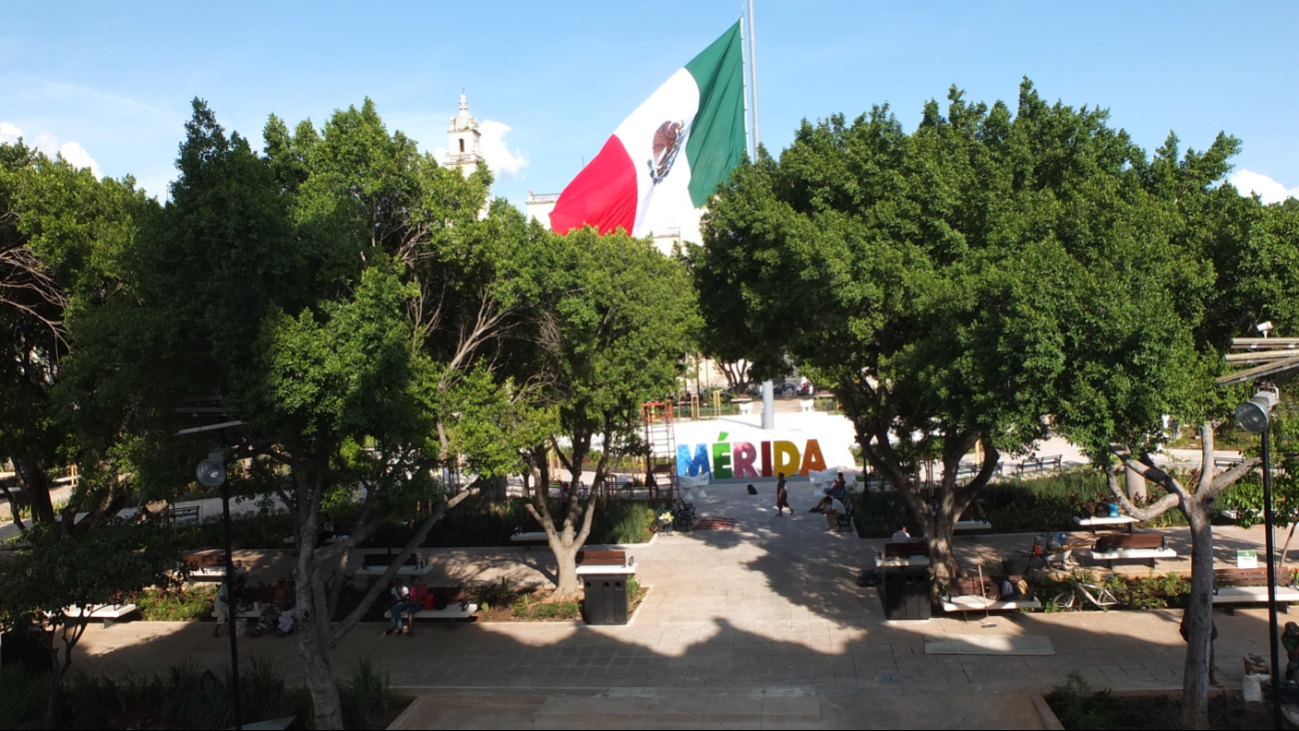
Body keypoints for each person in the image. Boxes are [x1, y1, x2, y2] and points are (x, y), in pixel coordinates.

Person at [1179, 610, 1221, 688]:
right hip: (1196, 636)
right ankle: (1201, 679)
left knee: (1210, 656)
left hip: (1205, 635)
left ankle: (1211, 677)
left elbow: (1209, 619)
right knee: (1198, 658)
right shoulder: (1191, 609)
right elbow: (1185, 624)